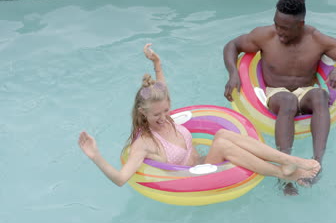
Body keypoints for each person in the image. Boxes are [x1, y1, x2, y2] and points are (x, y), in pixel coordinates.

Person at [78, 43, 320, 189]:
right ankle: (284, 171)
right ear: (143, 113)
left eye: (166, 110)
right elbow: (121, 179)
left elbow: (161, 87)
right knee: (224, 142)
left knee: (224, 133)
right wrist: (95, 156)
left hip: (205, 160)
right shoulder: (144, 143)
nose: (164, 117)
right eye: (157, 115)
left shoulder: (162, 110)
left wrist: (157, 63)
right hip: (195, 176)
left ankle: (290, 161)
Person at [223, 0, 336, 195]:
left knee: (320, 94)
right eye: (277, 25)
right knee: (288, 100)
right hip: (276, 93)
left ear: (300, 24)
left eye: (285, 28)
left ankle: (316, 164)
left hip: (305, 91)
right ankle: (286, 169)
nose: (279, 32)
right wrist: (233, 73)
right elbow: (232, 46)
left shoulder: (318, 40)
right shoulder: (265, 36)